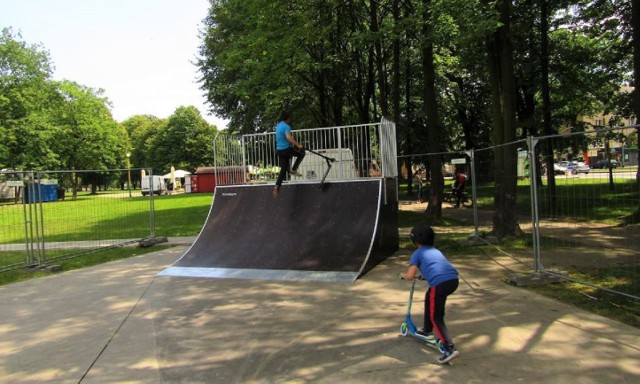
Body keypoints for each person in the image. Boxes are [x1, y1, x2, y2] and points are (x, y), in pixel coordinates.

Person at [400, 224, 460, 364]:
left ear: (413, 240)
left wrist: (403, 275)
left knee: (436, 316)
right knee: (430, 297)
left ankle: (449, 348)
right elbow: (437, 267)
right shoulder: (435, 251)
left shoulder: (417, 253)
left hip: (439, 284)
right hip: (453, 280)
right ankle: (426, 330)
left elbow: (409, 276)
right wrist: (425, 276)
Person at [273, 110, 305, 198]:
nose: (291, 120)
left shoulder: (278, 125)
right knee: (302, 153)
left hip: (279, 150)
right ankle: (294, 169)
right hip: (286, 149)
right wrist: (298, 145)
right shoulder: (287, 126)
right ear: (287, 118)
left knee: (283, 170)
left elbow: (282, 137)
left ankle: (277, 186)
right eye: (290, 118)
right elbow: (288, 137)